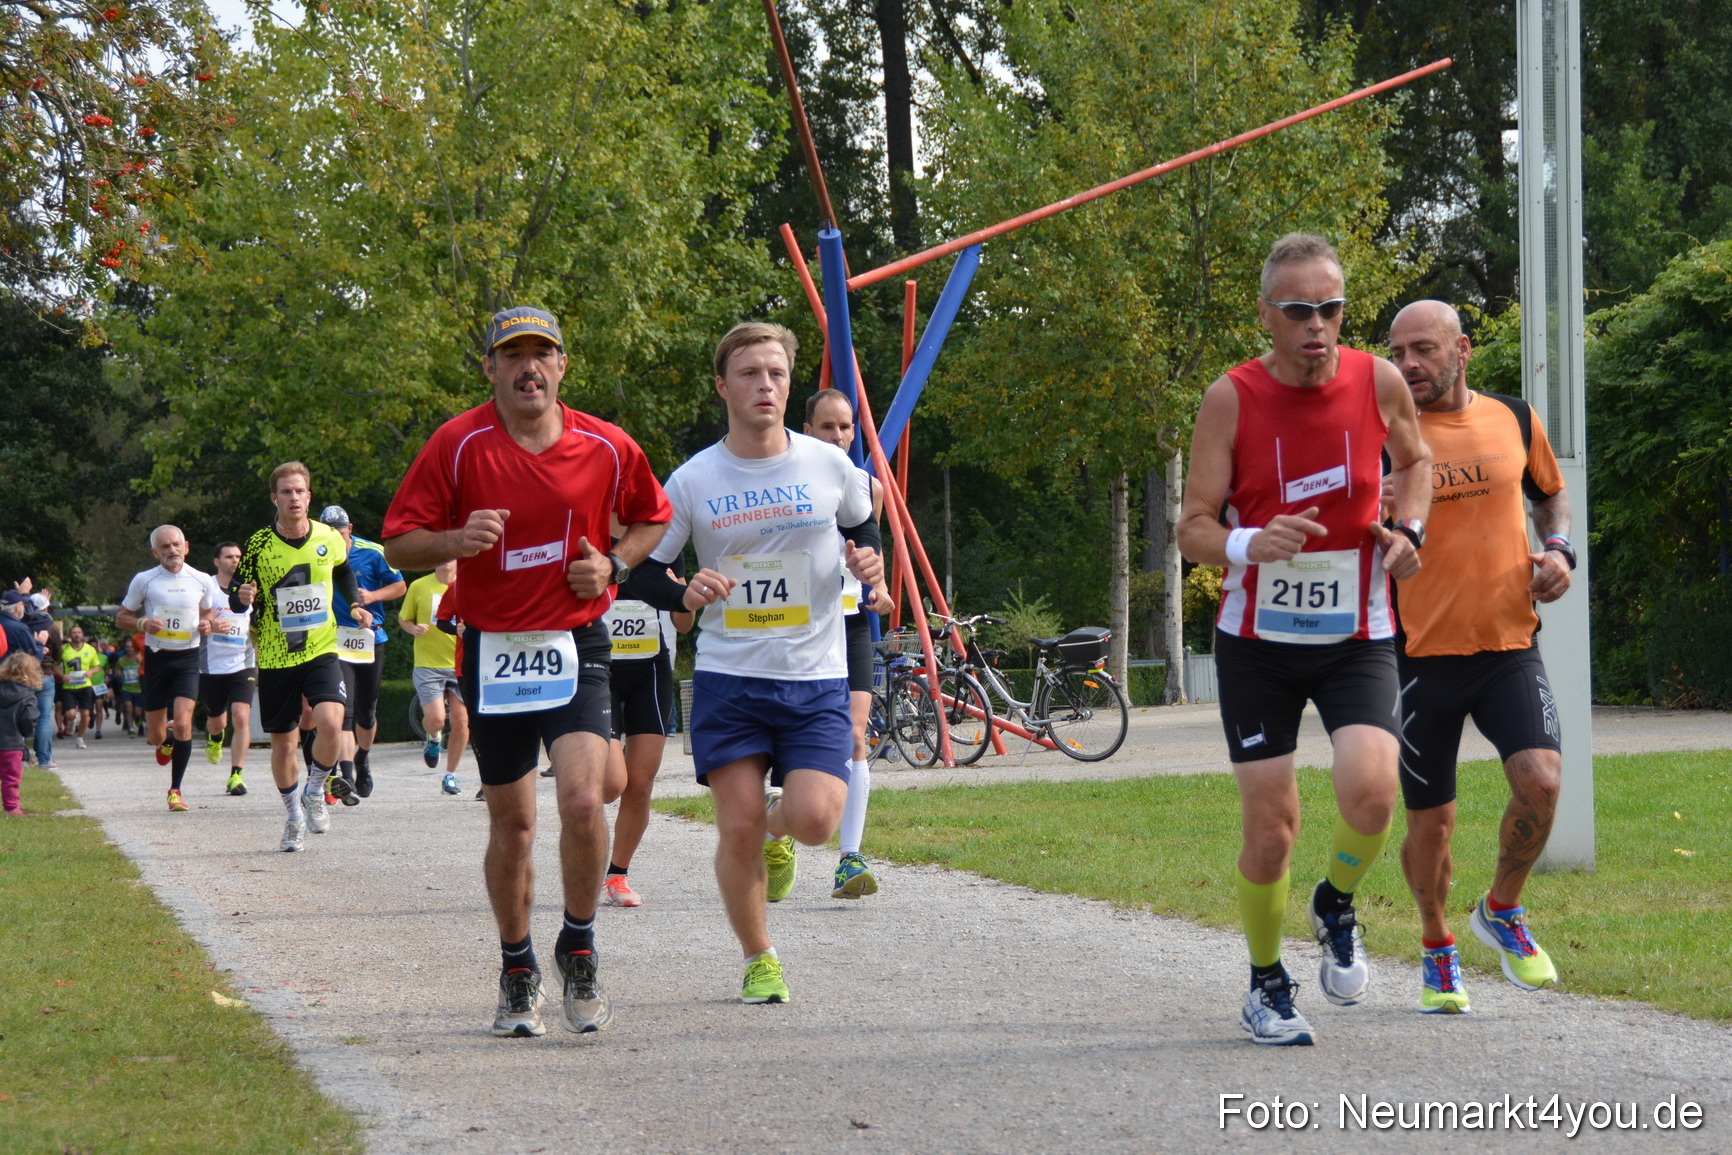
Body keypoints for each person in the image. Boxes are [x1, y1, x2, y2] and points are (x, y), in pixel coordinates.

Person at [383, 306, 672, 1039]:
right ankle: (517, 968)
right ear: (491, 368)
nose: (529, 367)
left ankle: (578, 942)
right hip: (492, 650)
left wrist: (616, 563)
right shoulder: (457, 444)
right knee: (513, 827)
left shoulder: (606, 446)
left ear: (563, 366)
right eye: (513, 355)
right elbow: (396, 544)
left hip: (577, 643)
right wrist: (455, 537)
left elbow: (651, 516)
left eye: (542, 353)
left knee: (582, 800)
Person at [1177, 233, 1430, 1047]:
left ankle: (1335, 901)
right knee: (1273, 823)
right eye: (1298, 310)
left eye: (1330, 308)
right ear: (1266, 315)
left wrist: (1409, 529)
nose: (1317, 325)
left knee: (1372, 789)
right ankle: (1264, 982)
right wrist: (1252, 543)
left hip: (1358, 627)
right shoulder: (1232, 398)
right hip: (1258, 641)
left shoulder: (1376, 379)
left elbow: (1416, 461)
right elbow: (1191, 528)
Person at [630, 321, 883, 1005]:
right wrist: (684, 588)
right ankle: (759, 956)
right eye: (748, 373)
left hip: (816, 674)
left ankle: (782, 827)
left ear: (788, 382)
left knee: (815, 820)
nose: (763, 384)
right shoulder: (693, 479)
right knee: (734, 824)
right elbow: (641, 566)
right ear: (722, 386)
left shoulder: (829, 465)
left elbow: (863, 519)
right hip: (730, 676)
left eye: (774, 372)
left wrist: (868, 556)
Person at [1386, 300, 1573, 1011]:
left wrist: (1557, 549)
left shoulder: (1514, 417)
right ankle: (1437, 946)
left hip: (1508, 647)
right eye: (1398, 352)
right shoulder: (1386, 437)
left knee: (1543, 781)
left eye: (1424, 349)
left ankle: (1500, 909)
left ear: (1462, 349)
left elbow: (1551, 497)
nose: (1408, 365)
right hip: (1419, 658)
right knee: (1431, 825)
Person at [231, 462, 373, 851]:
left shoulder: (328, 536)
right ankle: (293, 816)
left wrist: (356, 604)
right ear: (273, 498)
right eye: (286, 492)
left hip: (322, 646)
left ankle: (314, 789)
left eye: (300, 491)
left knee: (331, 721)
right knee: (283, 743)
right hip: (276, 654)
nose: (294, 498)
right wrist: (242, 598)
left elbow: (343, 573)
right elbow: (236, 594)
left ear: (308, 496)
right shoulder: (259, 544)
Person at [802, 387, 895, 899]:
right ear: (808, 430)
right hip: (799, 626)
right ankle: (785, 832)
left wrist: (879, 592)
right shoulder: (792, 483)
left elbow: (873, 559)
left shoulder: (869, 487)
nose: (838, 436)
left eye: (845, 427)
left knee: (856, 734)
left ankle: (849, 858)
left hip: (852, 622)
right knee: (792, 737)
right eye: (827, 427)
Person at [597, 549, 693, 907]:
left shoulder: (667, 546)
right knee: (610, 784)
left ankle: (617, 875)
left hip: (650, 670)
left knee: (639, 785)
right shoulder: (590, 532)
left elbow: (684, 624)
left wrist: (680, 592)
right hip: (598, 670)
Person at [116, 525, 219, 811]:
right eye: (165, 547)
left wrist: (207, 624)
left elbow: (208, 612)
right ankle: (167, 739)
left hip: (188, 658)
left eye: (176, 545)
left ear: (186, 546)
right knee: (155, 737)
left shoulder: (201, 580)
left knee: (185, 722)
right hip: (157, 658)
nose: (172, 550)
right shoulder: (145, 580)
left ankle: (175, 790)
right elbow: (122, 617)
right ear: (155, 552)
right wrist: (142, 623)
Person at [318, 505, 405, 798]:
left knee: (366, 714)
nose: (336, 540)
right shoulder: (317, 553)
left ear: (350, 529)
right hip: (333, 641)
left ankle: (363, 760)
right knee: (344, 710)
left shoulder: (373, 552)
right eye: (330, 533)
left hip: (369, 639)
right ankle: (347, 776)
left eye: (340, 533)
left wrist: (373, 596)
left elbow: (400, 586)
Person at [399, 560, 470, 795]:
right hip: (428, 664)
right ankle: (433, 738)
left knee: (461, 721)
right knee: (437, 719)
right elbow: (404, 618)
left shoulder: (469, 584)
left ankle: (450, 776)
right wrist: (413, 629)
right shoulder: (419, 586)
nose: (447, 558)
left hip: (460, 662)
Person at [201, 541, 256, 796]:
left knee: (241, 717)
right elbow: (195, 617)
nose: (234, 560)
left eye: (238, 556)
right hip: (211, 665)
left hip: (242, 663)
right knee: (217, 721)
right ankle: (214, 738)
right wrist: (210, 624)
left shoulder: (248, 588)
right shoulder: (206, 586)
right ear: (216, 561)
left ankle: (236, 775)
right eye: (228, 556)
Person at [0, 651, 43, 814]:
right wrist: (26, 733)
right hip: (11, 743)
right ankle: (11, 808)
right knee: (10, 778)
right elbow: (29, 718)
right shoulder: (27, 695)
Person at [59, 624, 100, 748]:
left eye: (79, 632)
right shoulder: (64, 649)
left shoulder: (90, 649)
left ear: (83, 635)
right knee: (70, 714)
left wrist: (91, 672)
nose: (77, 635)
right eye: (74, 633)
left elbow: (97, 666)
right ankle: (72, 721)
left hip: (85, 685)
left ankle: (80, 738)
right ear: (70, 636)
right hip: (69, 686)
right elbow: (54, 665)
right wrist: (62, 675)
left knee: (86, 714)